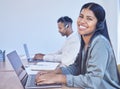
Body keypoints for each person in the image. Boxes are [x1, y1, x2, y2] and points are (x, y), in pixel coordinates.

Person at [35, 2, 120, 89]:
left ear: (98, 24)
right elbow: (76, 68)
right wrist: (54, 73)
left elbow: (92, 81)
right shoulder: (85, 41)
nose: (82, 21)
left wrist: (59, 78)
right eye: (81, 16)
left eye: (89, 19)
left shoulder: (100, 43)